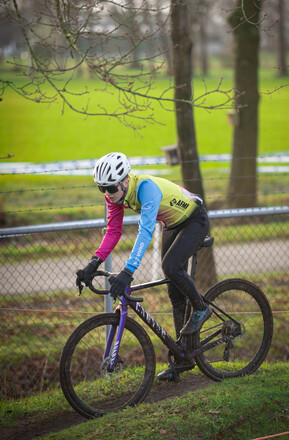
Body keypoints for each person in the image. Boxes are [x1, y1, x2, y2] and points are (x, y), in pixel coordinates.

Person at [76, 152, 212, 381]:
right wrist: (93, 263)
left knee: (171, 267)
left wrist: (128, 272)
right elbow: (113, 232)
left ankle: (201, 308)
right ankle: (181, 357)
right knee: (174, 289)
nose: (106, 194)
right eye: (102, 189)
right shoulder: (115, 196)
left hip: (194, 219)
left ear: (125, 180)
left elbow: (146, 232)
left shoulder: (146, 188)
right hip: (172, 223)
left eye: (109, 188)